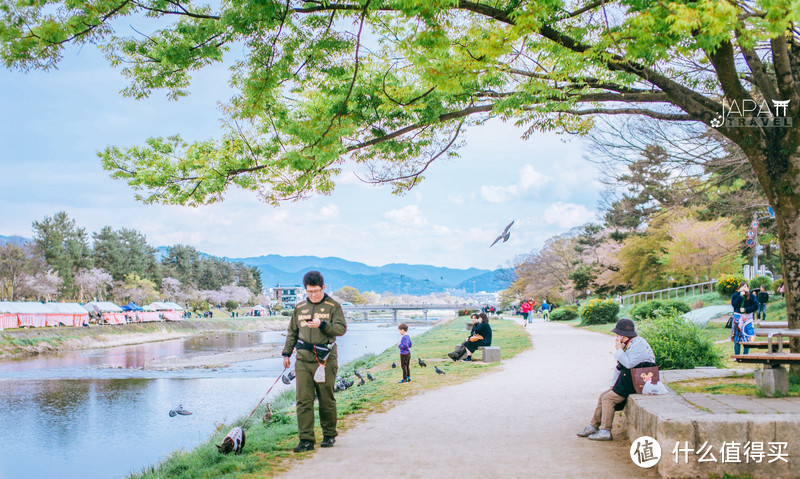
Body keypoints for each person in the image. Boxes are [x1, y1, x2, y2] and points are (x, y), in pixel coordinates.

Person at [282, 271, 347, 452]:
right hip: (302, 359)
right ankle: (306, 440)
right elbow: (292, 332)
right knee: (303, 401)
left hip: (325, 359)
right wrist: (286, 354)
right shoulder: (300, 307)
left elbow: (341, 329)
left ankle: (329, 435)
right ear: (305, 290)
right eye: (309, 292)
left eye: (316, 291)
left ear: (323, 287)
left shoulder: (333, 306)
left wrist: (322, 325)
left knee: (326, 399)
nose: (313, 295)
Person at [577, 318, 656, 441]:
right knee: (604, 395)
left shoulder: (638, 343)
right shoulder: (628, 344)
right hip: (628, 379)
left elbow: (629, 364)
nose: (617, 337)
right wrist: (613, 386)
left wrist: (619, 349)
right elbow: (620, 367)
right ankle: (594, 426)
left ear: (625, 335)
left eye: (619, 334)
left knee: (608, 398)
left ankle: (605, 431)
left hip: (638, 380)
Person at [731, 282, 758, 355]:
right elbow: (734, 304)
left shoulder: (752, 296)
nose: (743, 288)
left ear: (748, 288)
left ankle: (746, 355)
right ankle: (737, 355)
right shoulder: (735, 295)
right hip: (738, 317)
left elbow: (756, 306)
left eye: (745, 286)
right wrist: (740, 296)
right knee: (737, 337)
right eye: (742, 287)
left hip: (747, 318)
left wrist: (746, 310)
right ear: (739, 288)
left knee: (747, 336)